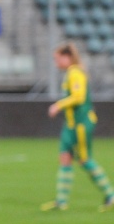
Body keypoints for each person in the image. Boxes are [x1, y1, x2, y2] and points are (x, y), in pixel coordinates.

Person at [41, 42, 114, 212]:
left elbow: (79, 97)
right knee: (65, 157)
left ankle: (110, 195)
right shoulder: (70, 73)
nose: (55, 63)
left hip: (81, 124)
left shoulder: (76, 73)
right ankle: (61, 201)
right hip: (71, 124)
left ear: (67, 57)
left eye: (57, 58)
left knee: (84, 159)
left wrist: (58, 105)